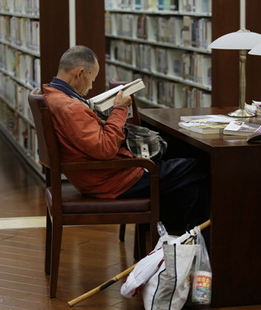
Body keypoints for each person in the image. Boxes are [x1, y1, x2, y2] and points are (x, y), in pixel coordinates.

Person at [42, 45, 210, 234]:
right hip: (113, 180)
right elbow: (105, 148)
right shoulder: (70, 107)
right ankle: (197, 244)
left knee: (186, 182)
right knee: (196, 167)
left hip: (98, 175)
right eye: (92, 79)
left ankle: (180, 244)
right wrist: (120, 109)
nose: (90, 87)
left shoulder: (53, 96)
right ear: (80, 73)